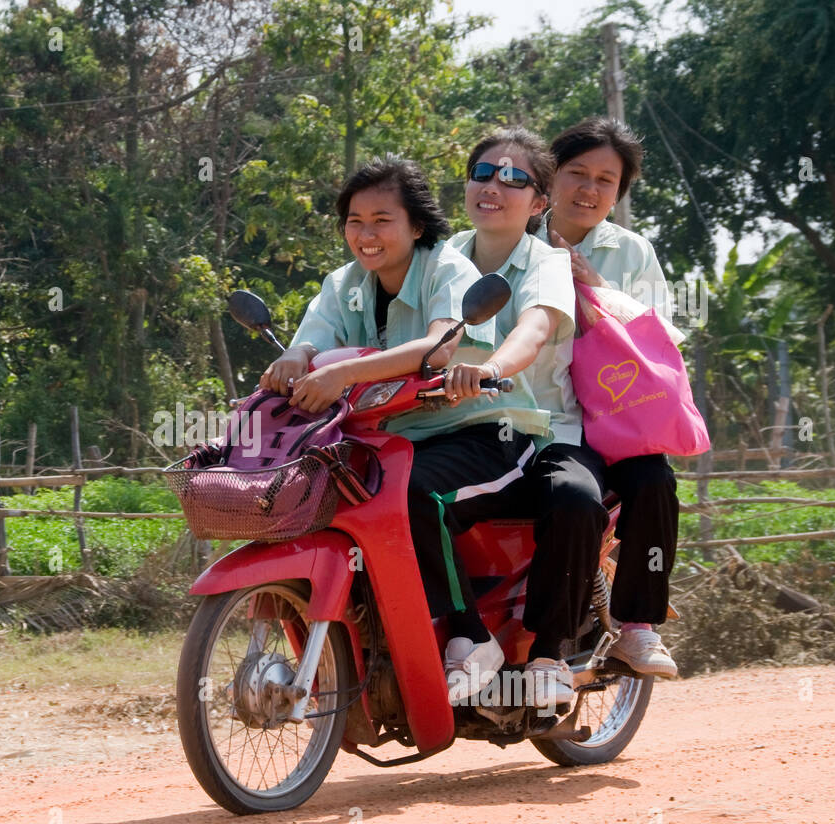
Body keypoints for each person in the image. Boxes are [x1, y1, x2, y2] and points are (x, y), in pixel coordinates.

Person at [259, 156, 552, 707]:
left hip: (484, 434)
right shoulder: (343, 284)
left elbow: (440, 346)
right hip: (389, 442)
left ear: (416, 225)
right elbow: (311, 339)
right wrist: (294, 358)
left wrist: (341, 373)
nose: (366, 235)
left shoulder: (450, 271)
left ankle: (471, 636)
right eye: (354, 220)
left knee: (413, 494)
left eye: (382, 219)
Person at [440, 127, 588, 709]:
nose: (493, 186)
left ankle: (550, 653)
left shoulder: (547, 262)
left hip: (537, 426)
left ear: (540, 202)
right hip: (445, 425)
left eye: (515, 178)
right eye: (482, 172)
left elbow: (533, 329)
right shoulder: (439, 257)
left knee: (575, 499)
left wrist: (492, 366)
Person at [538, 116, 681, 678]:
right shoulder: (513, 239)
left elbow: (662, 336)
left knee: (655, 482)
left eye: (606, 180)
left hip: (616, 420)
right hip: (539, 418)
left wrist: (597, 286)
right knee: (569, 501)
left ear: (618, 192)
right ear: (550, 178)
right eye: (577, 173)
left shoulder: (631, 252)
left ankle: (639, 628)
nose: (589, 189)